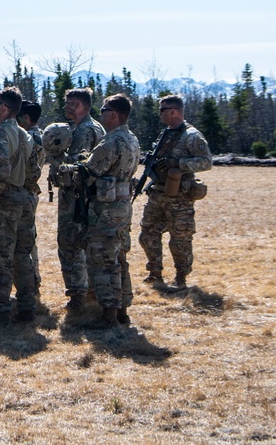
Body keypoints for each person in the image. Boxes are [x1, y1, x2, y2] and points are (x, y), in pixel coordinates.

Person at [60, 94, 140, 327]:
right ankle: (122, 310)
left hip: (105, 209)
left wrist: (67, 169)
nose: (101, 113)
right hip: (122, 206)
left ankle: (108, 314)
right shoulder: (131, 138)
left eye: (105, 110)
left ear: (114, 114)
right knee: (119, 258)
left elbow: (88, 173)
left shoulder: (110, 142)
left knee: (103, 260)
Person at [138, 94, 213, 291]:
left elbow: (206, 162)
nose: (159, 114)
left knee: (180, 239)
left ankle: (181, 277)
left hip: (179, 195)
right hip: (158, 192)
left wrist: (179, 164)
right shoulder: (165, 134)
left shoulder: (191, 136)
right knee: (147, 233)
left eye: (162, 110)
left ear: (174, 111)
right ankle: (155, 272)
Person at [0, 87, 36, 325]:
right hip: (23, 196)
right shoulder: (25, 134)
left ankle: (1, 311)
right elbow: (34, 168)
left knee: (1, 257)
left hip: (5, 199)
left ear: (3, 107)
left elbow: (1, 171)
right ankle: (26, 308)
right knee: (22, 256)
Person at [51, 87, 104, 311]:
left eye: (70, 103)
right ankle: (91, 291)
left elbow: (75, 169)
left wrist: (56, 159)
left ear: (81, 105)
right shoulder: (96, 127)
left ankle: (78, 295)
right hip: (89, 198)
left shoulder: (83, 131)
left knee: (70, 244)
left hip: (76, 198)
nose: (66, 107)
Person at [17, 100, 45, 302]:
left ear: (26, 118)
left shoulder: (31, 138)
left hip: (25, 191)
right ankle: (33, 282)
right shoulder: (38, 135)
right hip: (29, 192)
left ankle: (32, 283)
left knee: (25, 241)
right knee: (28, 239)